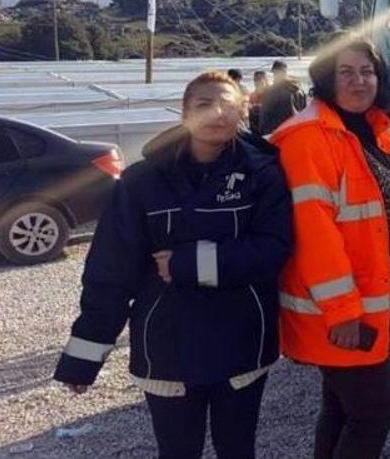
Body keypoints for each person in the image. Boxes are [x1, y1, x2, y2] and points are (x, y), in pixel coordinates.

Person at [54, 70, 292, 459]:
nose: (217, 113)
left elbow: (273, 248)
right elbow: (111, 273)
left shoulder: (262, 173)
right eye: (204, 104)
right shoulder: (140, 181)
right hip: (167, 345)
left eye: (228, 105)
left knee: (238, 448)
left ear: (242, 113)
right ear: (184, 113)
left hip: (242, 339)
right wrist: (84, 356)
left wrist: (189, 264)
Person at [270, 38, 390, 459]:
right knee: (372, 411)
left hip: (368, 300)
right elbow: (314, 234)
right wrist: (342, 311)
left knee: (341, 408)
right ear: (325, 79)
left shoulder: (371, 128)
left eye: (367, 72)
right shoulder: (309, 137)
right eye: (345, 72)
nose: (358, 81)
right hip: (342, 310)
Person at [259, 59, 307, 135]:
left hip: (277, 133)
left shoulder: (272, 91)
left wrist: (263, 132)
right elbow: (305, 112)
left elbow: (264, 116)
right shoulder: (299, 89)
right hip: (296, 131)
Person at [249, 70, 270, 134]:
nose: (256, 82)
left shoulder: (273, 94)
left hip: (269, 129)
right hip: (255, 130)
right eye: (255, 80)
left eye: (259, 79)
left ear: (266, 80)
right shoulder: (251, 96)